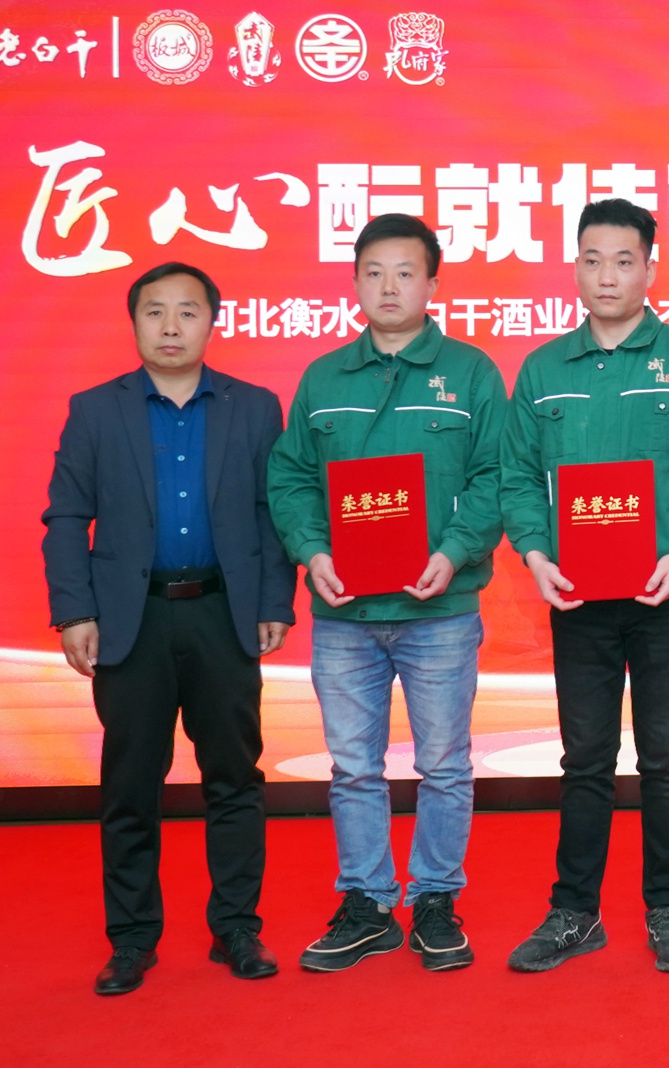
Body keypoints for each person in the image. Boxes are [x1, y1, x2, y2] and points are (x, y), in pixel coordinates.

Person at [498, 198, 669, 974]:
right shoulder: (544, 369)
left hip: (666, 593)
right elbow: (516, 476)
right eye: (592, 259)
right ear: (575, 266)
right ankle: (575, 911)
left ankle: (668, 909)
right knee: (585, 757)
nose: (607, 275)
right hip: (577, 595)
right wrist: (534, 553)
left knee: (666, 756)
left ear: (650, 268)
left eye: (624, 260)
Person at [41, 262, 296, 995]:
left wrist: (274, 602)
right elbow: (66, 517)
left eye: (188, 311)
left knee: (235, 779)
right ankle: (130, 940)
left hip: (222, 612)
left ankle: (237, 928)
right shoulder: (96, 410)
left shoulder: (255, 407)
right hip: (132, 619)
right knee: (130, 784)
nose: (172, 326)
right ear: (134, 323)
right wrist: (75, 610)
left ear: (213, 321)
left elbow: (271, 513)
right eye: (155, 312)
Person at [267, 214, 506, 973]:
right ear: (355, 283)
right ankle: (368, 904)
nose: (389, 286)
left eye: (405, 272)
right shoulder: (323, 378)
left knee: (444, 765)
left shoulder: (471, 373)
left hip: (440, 612)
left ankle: (435, 898)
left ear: (433, 283)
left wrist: (453, 552)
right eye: (374, 272)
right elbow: (291, 479)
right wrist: (312, 551)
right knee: (353, 768)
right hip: (345, 614)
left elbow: (496, 478)